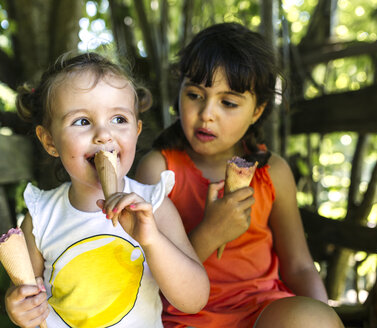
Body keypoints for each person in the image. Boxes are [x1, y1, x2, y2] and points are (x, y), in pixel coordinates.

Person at [135, 23, 344, 328]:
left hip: (262, 310)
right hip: (184, 316)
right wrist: (210, 233)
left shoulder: (273, 173)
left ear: (257, 110)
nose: (207, 112)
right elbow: (146, 276)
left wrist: (324, 315)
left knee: (313, 319)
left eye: (228, 102)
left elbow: (299, 266)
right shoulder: (159, 169)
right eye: (194, 94)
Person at [4, 52, 210, 328]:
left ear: (137, 131)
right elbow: (26, 292)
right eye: (82, 121)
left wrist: (152, 241)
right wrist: (17, 306)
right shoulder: (41, 218)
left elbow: (194, 298)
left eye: (119, 120)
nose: (103, 134)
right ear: (50, 140)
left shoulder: (154, 206)